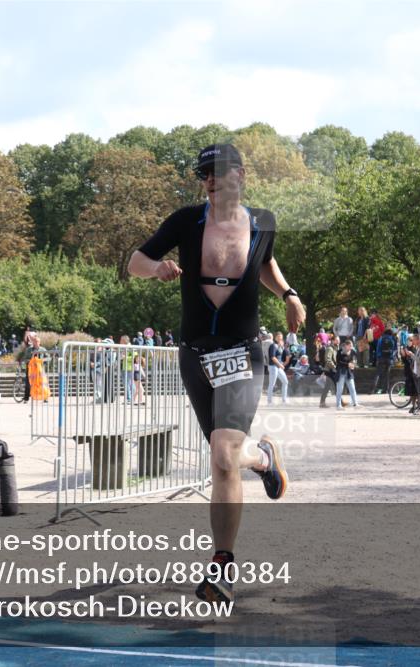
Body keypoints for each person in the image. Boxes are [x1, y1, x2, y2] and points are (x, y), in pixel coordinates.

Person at [128, 143, 303, 603]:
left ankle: (222, 566)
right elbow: (135, 261)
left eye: (218, 171)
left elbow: (263, 262)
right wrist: (158, 268)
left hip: (243, 351)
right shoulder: (187, 220)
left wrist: (288, 294)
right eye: (204, 173)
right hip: (194, 352)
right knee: (224, 453)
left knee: (223, 455)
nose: (209, 179)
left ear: (240, 174)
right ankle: (264, 458)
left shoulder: (263, 221)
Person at [266, 332, 291, 405]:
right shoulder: (273, 346)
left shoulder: (279, 346)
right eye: (279, 337)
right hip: (273, 366)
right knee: (272, 384)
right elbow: (273, 357)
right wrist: (280, 365)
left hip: (278, 366)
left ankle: (284, 400)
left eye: (281, 337)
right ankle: (269, 401)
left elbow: (282, 355)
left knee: (285, 382)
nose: (280, 338)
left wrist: (282, 347)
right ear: (275, 337)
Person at [335, 338, 360, 409]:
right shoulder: (340, 351)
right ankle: (338, 405)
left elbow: (354, 359)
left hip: (349, 372)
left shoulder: (352, 351)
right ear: (346, 345)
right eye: (350, 345)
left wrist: (354, 364)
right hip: (341, 372)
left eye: (352, 346)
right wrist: (347, 364)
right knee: (340, 389)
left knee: (352, 388)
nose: (351, 347)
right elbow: (338, 362)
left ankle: (355, 403)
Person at [372, 328, 398, 394]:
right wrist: (392, 356)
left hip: (381, 358)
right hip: (389, 359)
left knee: (377, 374)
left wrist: (378, 357)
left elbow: (377, 349)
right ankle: (386, 390)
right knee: (387, 375)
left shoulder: (381, 339)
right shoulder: (393, 339)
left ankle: (372, 389)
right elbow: (395, 350)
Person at [318, 334, 339, 408]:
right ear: (333, 341)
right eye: (337, 340)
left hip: (331, 370)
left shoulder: (335, 348)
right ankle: (340, 402)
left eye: (338, 340)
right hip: (330, 370)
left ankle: (322, 402)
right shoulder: (330, 348)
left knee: (328, 387)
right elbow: (328, 359)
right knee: (336, 385)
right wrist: (334, 367)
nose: (338, 341)